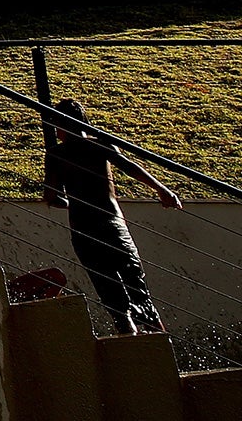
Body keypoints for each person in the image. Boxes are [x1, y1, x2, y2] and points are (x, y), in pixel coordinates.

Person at [45, 98, 180, 334]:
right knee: (137, 289)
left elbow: (52, 196)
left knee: (111, 294)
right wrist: (162, 190)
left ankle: (132, 348)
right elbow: (130, 166)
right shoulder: (100, 145)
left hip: (83, 228)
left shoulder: (56, 154)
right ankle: (160, 347)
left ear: (60, 125)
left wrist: (74, 204)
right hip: (111, 223)